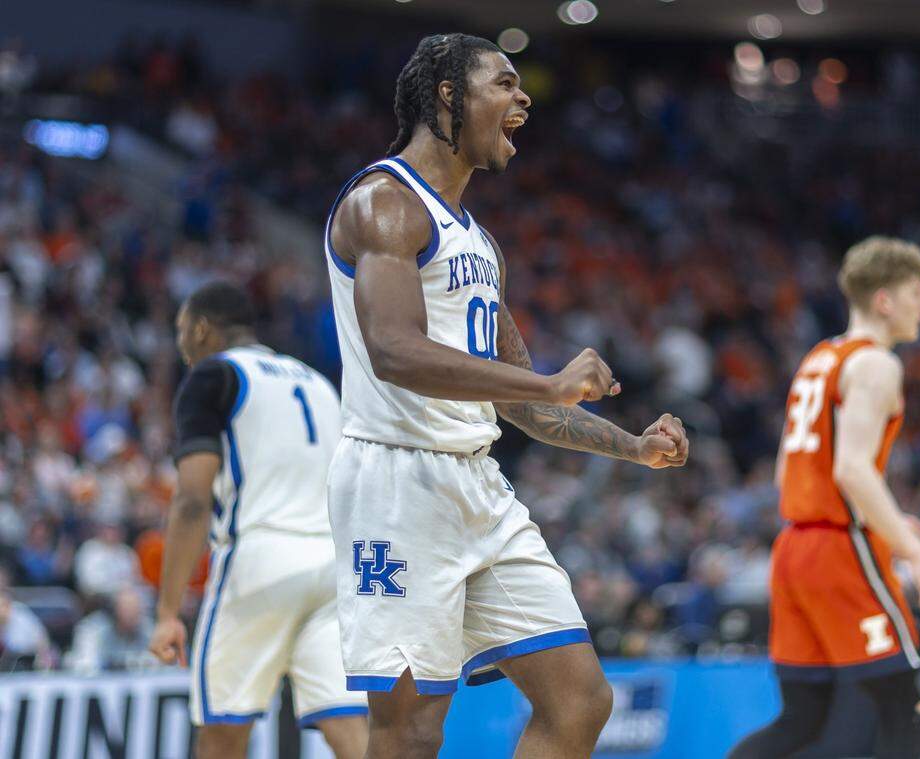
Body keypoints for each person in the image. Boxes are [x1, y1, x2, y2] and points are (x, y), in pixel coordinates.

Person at [324, 33, 689, 759]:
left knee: (580, 699)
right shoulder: (384, 202)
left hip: (478, 485)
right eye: (505, 83)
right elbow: (394, 351)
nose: (524, 98)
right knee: (411, 728)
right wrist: (549, 379)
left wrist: (633, 446)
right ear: (448, 96)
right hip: (396, 484)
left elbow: (527, 405)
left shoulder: (479, 242)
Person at [729, 237, 920, 759]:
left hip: (793, 550)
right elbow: (852, 470)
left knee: (800, 722)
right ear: (884, 300)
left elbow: (789, 471)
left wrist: (889, 520)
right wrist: (918, 556)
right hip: (837, 549)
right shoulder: (876, 364)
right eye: (917, 293)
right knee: (902, 706)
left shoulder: (819, 357)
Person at [147, 282, 367, 759]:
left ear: (202, 329)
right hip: (334, 566)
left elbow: (191, 500)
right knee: (347, 725)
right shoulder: (317, 381)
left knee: (223, 728)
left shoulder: (211, 376)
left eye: (182, 331)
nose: (182, 343)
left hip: (259, 559)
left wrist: (167, 612)